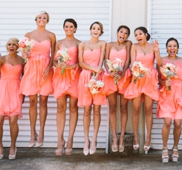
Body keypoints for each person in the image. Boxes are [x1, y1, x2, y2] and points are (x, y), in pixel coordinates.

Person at [20, 11, 56, 147]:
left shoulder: (51, 35)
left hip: (45, 68)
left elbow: (53, 54)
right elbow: (25, 55)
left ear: (47, 20)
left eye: (44, 18)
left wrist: (49, 68)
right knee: (32, 101)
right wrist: (24, 53)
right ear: (36, 19)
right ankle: (32, 132)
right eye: (40, 18)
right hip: (31, 68)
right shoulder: (28, 35)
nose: (42, 20)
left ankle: (41, 132)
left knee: (44, 101)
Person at [124, 27, 160, 153]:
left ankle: (148, 137)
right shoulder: (134, 47)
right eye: (135, 35)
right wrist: (137, 71)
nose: (138, 36)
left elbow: (159, 64)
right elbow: (132, 63)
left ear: (146, 34)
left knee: (148, 110)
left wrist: (157, 51)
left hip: (150, 80)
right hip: (138, 78)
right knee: (135, 109)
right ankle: (135, 137)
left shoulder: (152, 46)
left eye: (140, 34)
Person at [156, 37, 182, 163]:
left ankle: (175, 148)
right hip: (167, 93)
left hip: (179, 93)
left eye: (174, 46)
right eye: (169, 46)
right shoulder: (162, 61)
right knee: (168, 122)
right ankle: (164, 148)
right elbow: (158, 79)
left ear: (178, 48)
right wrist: (165, 82)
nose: (172, 48)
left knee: (178, 123)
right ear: (166, 48)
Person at [0, 38, 24, 160]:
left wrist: (24, 93)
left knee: (13, 120)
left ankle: (13, 146)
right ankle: (0, 146)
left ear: (18, 47)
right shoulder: (2, 58)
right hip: (3, 88)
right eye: (9, 44)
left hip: (16, 89)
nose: (11, 46)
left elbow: (24, 77)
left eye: (14, 44)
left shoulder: (21, 59)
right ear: (6, 47)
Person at [77, 21, 107, 155]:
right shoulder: (82, 44)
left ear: (101, 31)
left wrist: (97, 71)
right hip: (85, 77)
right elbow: (80, 62)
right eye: (94, 28)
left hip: (98, 76)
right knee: (87, 110)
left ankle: (94, 139)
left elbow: (101, 61)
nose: (96, 30)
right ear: (90, 30)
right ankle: (86, 140)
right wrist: (91, 68)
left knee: (97, 110)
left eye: (98, 29)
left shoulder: (102, 44)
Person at [52, 19, 81, 156]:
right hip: (61, 76)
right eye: (66, 26)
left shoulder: (79, 43)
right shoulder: (59, 43)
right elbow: (53, 59)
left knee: (73, 107)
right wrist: (58, 64)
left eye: (71, 26)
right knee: (60, 107)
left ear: (75, 28)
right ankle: (60, 140)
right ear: (63, 28)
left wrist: (70, 66)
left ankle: (70, 140)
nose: (68, 28)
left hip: (74, 76)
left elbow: (81, 62)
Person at [103, 25, 132, 153]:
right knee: (113, 107)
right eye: (121, 32)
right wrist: (110, 71)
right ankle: (114, 137)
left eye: (126, 33)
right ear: (117, 33)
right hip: (110, 76)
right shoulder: (109, 45)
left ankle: (122, 138)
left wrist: (122, 73)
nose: (123, 35)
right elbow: (105, 60)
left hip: (124, 76)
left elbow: (128, 60)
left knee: (124, 107)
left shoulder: (128, 44)